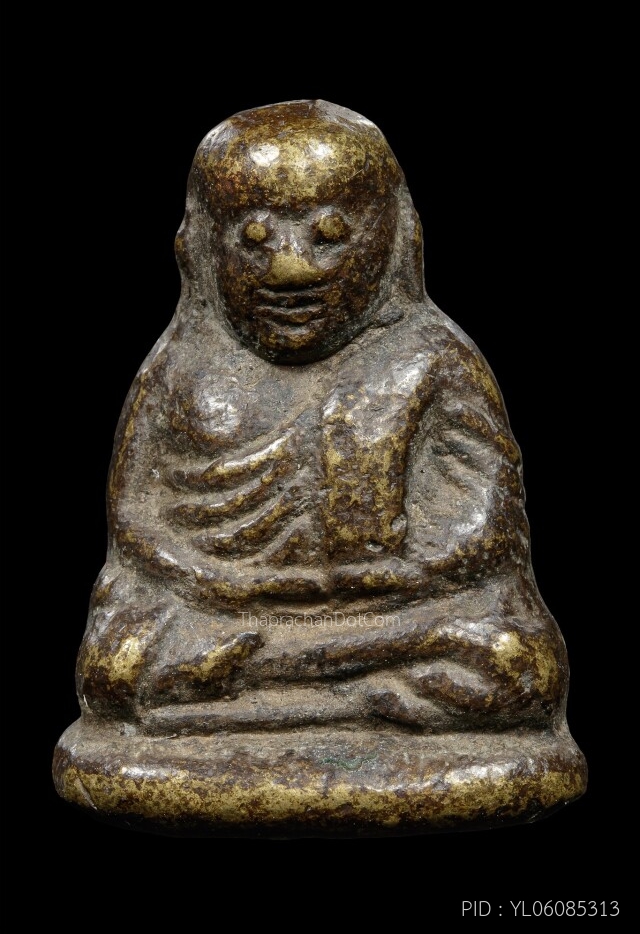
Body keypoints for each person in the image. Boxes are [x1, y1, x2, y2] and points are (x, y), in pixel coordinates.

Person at [77, 100, 568, 737]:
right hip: (226, 610)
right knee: (117, 664)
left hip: (391, 609)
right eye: (254, 238)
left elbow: (488, 531)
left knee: (515, 660)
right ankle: (354, 697)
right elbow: (135, 522)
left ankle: (250, 697)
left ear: (393, 237)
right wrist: (220, 583)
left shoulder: (432, 361)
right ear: (199, 246)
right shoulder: (179, 370)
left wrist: (390, 577)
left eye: (329, 235)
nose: (291, 268)